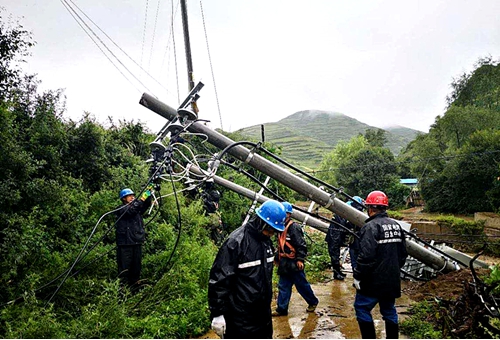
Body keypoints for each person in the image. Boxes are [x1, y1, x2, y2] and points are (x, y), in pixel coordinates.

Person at [208, 200, 286, 339]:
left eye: (274, 231)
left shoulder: (266, 242)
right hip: (240, 319)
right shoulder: (236, 242)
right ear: (261, 222)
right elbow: (220, 279)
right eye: (270, 230)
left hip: (263, 316)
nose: (271, 234)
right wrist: (217, 313)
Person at [353, 191, 408, 339]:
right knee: (389, 310)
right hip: (391, 281)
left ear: (370, 208)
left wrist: (358, 276)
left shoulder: (370, 227)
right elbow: (403, 254)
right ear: (384, 208)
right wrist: (393, 269)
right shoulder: (397, 226)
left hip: (372, 282)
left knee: (362, 308)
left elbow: (366, 257)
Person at [272, 202, 319, 316]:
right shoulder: (280, 227)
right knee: (283, 286)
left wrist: (300, 259)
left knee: (301, 285)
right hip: (284, 262)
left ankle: (313, 302)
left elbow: (301, 245)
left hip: (294, 262)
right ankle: (281, 309)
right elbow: (280, 245)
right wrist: (276, 258)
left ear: (288, 214)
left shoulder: (294, 227)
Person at [115, 186, 153, 288]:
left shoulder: (136, 209)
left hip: (136, 243)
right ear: (123, 198)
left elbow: (144, 206)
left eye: (133, 195)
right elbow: (131, 210)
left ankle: (134, 290)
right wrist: (142, 199)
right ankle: (121, 294)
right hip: (125, 245)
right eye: (129, 196)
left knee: (136, 268)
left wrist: (148, 195)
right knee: (124, 270)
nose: (132, 197)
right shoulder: (121, 209)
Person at [325, 195, 364, 280]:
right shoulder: (344, 212)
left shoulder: (346, 209)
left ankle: (338, 271)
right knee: (334, 255)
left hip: (337, 234)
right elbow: (345, 225)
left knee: (336, 254)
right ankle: (336, 273)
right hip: (334, 235)